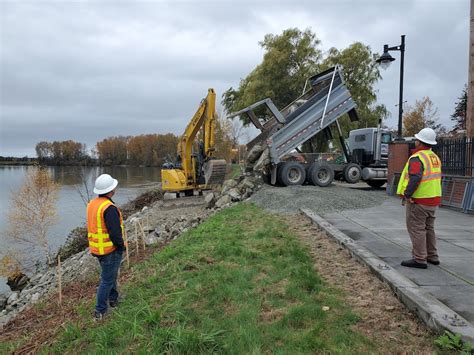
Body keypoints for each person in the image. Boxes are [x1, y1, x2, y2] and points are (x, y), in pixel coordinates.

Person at [396, 128, 442, 269]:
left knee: (417, 229)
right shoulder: (434, 157)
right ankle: (432, 256)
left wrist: (407, 195)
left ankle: (419, 258)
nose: (415, 141)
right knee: (429, 228)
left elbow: (415, 178)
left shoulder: (417, 158)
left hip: (419, 199)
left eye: (416, 139)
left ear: (421, 142)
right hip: (433, 199)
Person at [87, 173, 126, 320]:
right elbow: (115, 233)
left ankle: (113, 299)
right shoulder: (109, 208)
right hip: (109, 250)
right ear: (111, 190)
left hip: (97, 249)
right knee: (107, 280)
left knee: (111, 276)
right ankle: (100, 311)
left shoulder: (93, 204)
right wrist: (121, 246)